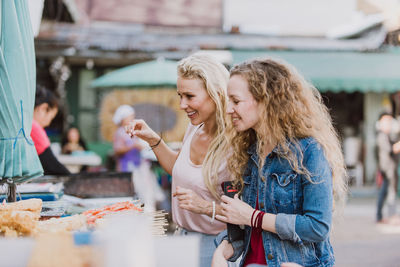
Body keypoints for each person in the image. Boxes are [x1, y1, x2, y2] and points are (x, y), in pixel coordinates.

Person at [212, 58, 347, 267]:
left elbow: (317, 226)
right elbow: (246, 230)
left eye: (236, 101)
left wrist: (254, 217)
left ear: (266, 101)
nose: (228, 109)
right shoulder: (247, 150)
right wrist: (223, 250)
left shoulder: (309, 151)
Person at [126, 53, 232, 267]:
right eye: (180, 96)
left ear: (216, 94)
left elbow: (248, 212)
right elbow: (180, 170)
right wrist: (154, 140)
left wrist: (204, 206)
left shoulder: (235, 143)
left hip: (216, 247)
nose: (182, 105)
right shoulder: (194, 126)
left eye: (190, 96)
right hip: (182, 237)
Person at [31, 85, 70, 175]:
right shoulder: (33, 127)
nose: (48, 123)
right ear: (43, 108)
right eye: (51, 118)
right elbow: (53, 167)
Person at [376, 112, 400, 224]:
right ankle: (390, 215)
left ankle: (380, 216)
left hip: (388, 168)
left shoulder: (386, 135)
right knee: (389, 192)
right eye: (387, 122)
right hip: (387, 168)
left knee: (386, 192)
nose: (389, 124)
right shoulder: (381, 136)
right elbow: (391, 150)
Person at [113, 105, 145, 172]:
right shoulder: (120, 133)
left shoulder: (133, 130)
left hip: (136, 165)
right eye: (130, 117)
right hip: (125, 167)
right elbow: (117, 151)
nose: (132, 118)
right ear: (123, 118)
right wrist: (133, 146)